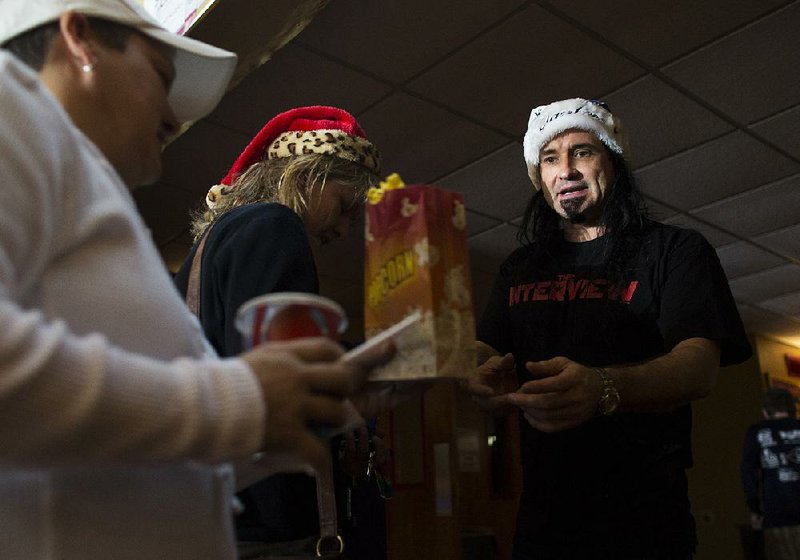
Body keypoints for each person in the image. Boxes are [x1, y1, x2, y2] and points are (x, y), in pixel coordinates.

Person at [0, 2, 391, 559]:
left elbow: (150, 440)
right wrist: (241, 401)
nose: (173, 113)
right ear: (79, 39)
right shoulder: (13, 113)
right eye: (162, 77)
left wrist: (339, 392)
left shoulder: (88, 207)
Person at [467, 98, 752, 559]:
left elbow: (699, 365)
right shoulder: (519, 268)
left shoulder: (675, 250)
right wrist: (477, 371)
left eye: (582, 152)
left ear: (613, 162)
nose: (566, 171)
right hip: (543, 525)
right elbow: (485, 347)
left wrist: (603, 387)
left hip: (646, 523)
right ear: (540, 180)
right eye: (550, 158)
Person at [173, 105, 387, 557]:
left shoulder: (206, 250)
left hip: (218, 516)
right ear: (306, 174)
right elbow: (285, 383)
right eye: (346, 205)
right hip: (274, 528)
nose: (345, 228)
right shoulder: (276, 225)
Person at [741, 387, 800, 560]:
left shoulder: (757, 432)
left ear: (765, 412)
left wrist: (755, 509)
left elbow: (748, 472)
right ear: (792, 410)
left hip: (777, 515)